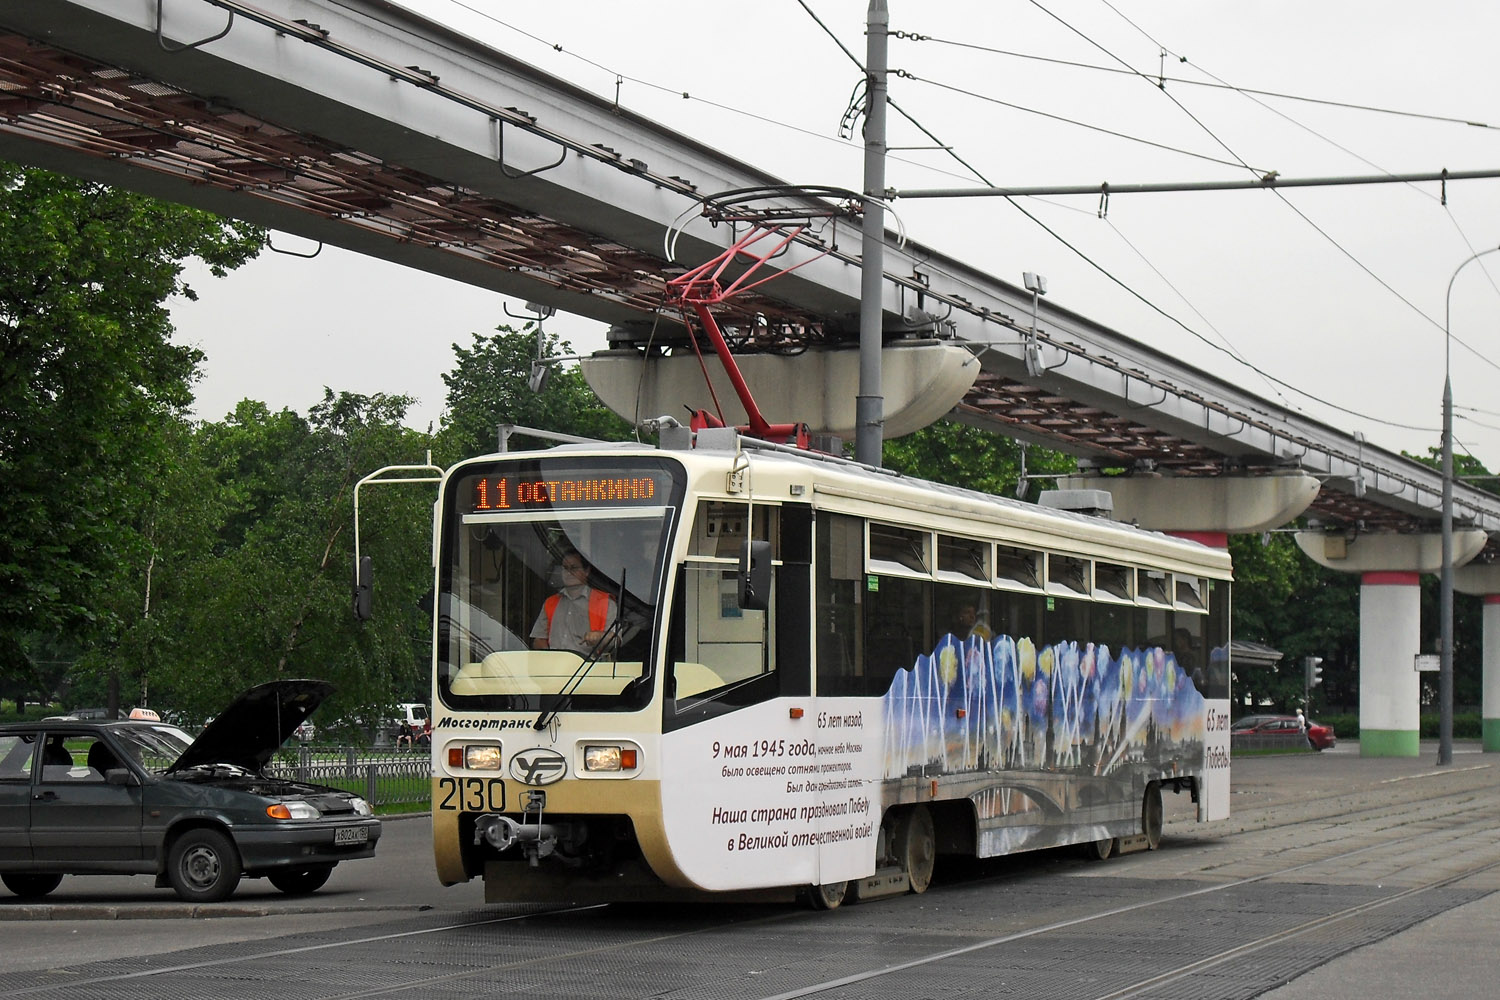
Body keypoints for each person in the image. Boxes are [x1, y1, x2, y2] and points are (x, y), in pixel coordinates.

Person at [530, 550, 617, 654]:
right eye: (565, 568)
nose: (569, 572)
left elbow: (616, 640)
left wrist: (600, 636)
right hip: (555, 667)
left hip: (590, 667)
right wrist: (548, 655)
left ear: (587, 571)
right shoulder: (551, 602)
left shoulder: (605, 602)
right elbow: (538, 639)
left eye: (574, 568)